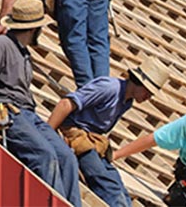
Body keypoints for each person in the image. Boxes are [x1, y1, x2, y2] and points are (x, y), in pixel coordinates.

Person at [0, 0, 82, 207]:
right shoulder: (0, 45)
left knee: (67, 158)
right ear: (34, 28)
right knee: (44, 156)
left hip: (28, 113)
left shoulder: (23, 52)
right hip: (7, 111)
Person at [48, 60, 170, 207]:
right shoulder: (109, 88)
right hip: (76, 135)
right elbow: (66, 104)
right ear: (139, 82)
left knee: (117, 184)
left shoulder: (127, 102)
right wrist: (48, 135)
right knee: (105, 182)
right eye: (148, 92)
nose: (148, 97)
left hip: (92, 141)